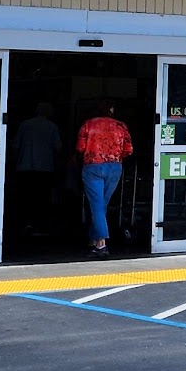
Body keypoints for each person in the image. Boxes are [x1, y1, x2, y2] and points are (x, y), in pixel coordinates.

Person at [76, 102, 134, 258]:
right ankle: (93, 239)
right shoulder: (121, 126)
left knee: (97, 205)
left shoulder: (88, 124)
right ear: (111, 110)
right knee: (102, 205)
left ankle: (101, 244)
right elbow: (128, 150)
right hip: (114, 167)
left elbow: (80, 148)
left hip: (93, 166)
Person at [9, 102, 61, 237]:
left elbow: (15, 146)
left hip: (24, 167)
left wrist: (14, 162)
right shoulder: (52, 127)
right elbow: (58, 148)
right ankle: (40, 226)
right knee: (42, 198)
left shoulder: (25, 125)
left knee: (25, 197)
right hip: (45, 168)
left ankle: (26, 224)